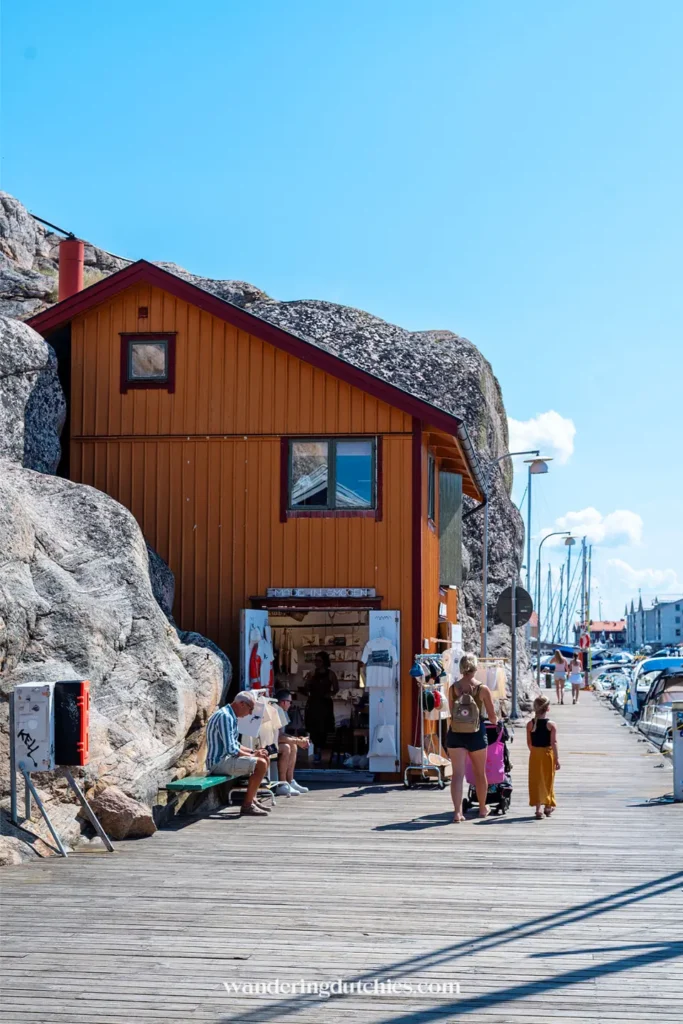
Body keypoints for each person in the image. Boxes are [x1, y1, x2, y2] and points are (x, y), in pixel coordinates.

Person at [447, 653, 498, 822]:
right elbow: (492, 717)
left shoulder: (453, 688)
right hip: (476, 734)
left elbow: (452, 713)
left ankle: (457, 813)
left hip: (455, 734)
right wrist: (496, 720)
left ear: (461, 668)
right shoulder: (482, 689)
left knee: (457, 775)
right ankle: (483, 808)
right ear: (475, 668)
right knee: (479, 773)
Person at [206, 691, 272, 817]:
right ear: (242, 704)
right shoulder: (225, 717)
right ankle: (247, 805)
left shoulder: (230, 715)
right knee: (261, 763)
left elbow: (235, 744)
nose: (251, 713)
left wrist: (253, 752)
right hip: (218, 763)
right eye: (250, 708)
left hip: (226, 760)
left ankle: (253, 799)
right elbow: (232, 749)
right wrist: (253, 756)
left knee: (264, 758)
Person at [301, 652, 338, 762]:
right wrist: (307, 681)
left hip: (325, 703)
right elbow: (306, 687)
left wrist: (329, 694)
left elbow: (336, 689)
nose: (317, 663)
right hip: (313, 702)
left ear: (325, 662)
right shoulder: (312, 673)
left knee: (324, 728)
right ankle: (315, 750)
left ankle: (322, 750)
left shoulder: (331, 674)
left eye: (319, 661)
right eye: (315, 660)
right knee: (313, 726)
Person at [526, 695, 560, 818]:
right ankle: (548, 806)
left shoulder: (530, 724)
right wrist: (557, 758)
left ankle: (538, 809)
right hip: (547, 754)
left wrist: (535, 751)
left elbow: (529, 742)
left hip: (534, 754)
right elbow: (553, 743)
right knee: (548, 779)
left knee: (536, 780)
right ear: (548, 709)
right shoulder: (551, 725)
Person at [274, 689, 310, 795]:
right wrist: (297, 741)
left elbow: (281, 734)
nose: (290, 704)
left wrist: (298, 740)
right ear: (284, 702)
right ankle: (282, 783)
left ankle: (290, 781)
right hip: (266, 743)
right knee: (286, 747)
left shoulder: (282, 712)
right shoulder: (276, 711)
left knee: (293, 745)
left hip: (274, 741)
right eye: (290, 701)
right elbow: (278, 737)